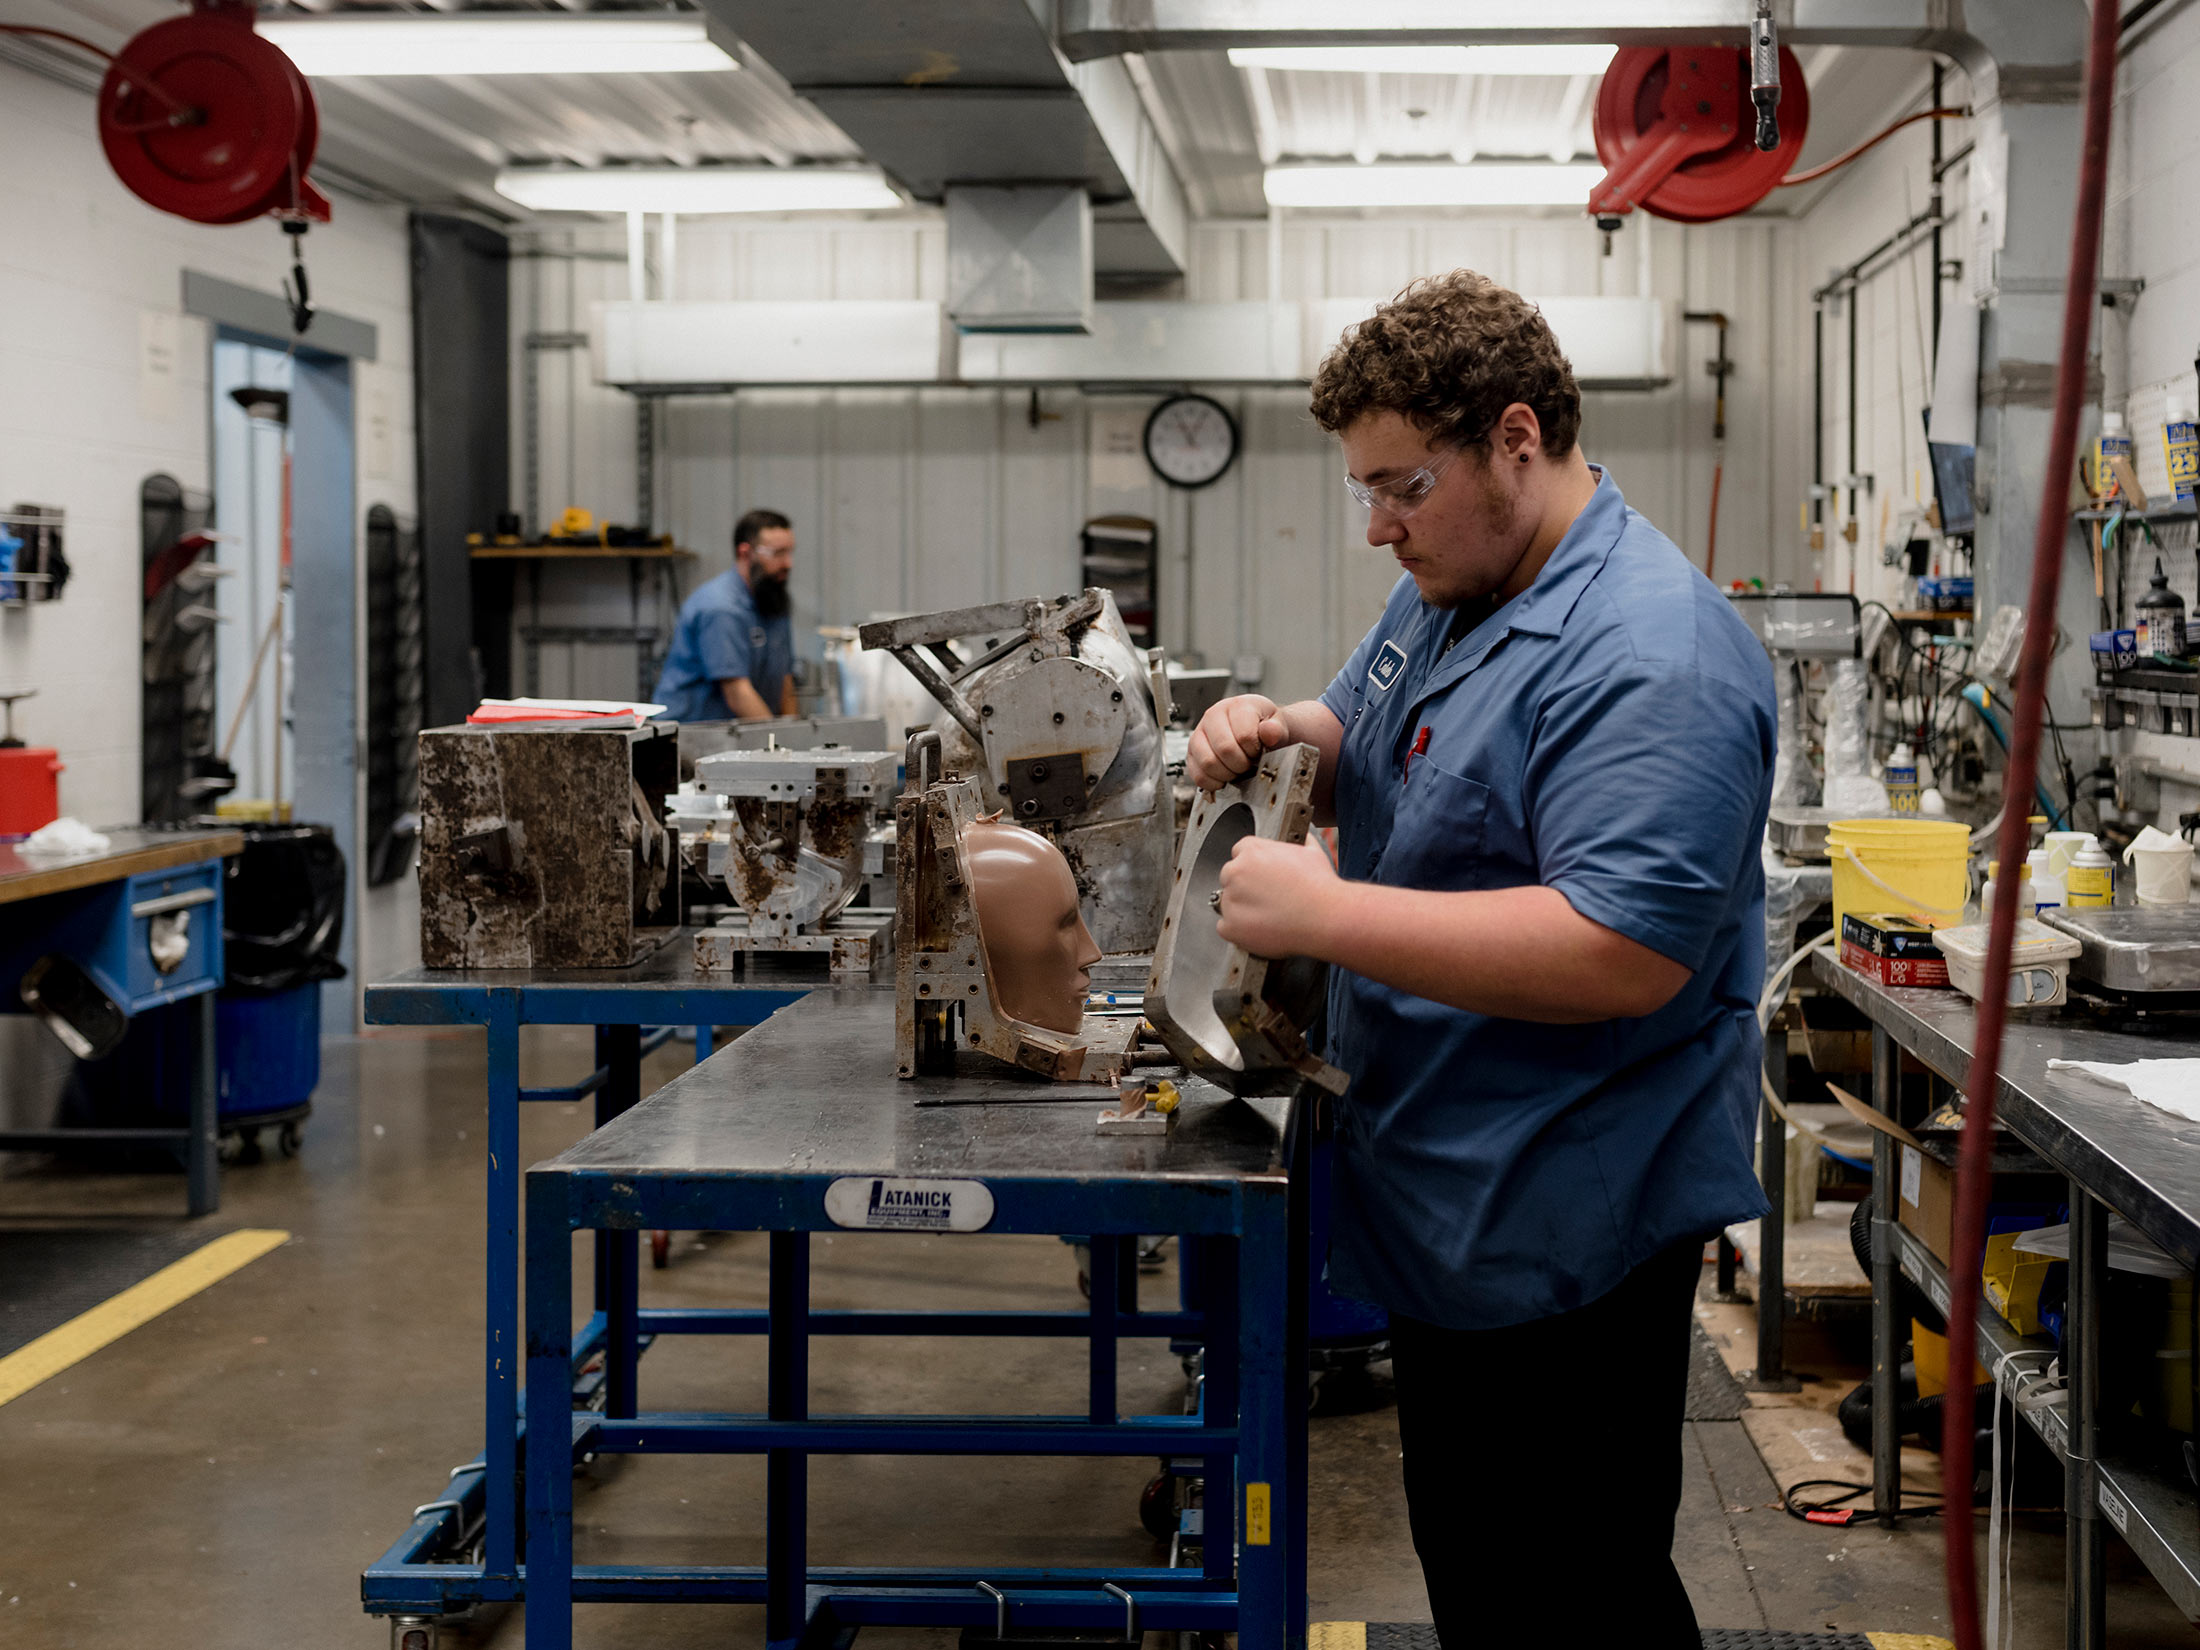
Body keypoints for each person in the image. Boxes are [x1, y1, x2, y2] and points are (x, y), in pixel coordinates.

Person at [1186, 270, 1775, 1648]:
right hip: (1457, 1187)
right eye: (1364, 493)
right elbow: (1360, 722)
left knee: (1574, 1584)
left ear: (1518, 438)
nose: (1380, 528)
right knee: (1488, 1568)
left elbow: (1620, 949)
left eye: (1404, 486)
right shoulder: (1459, 580)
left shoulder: (1650, 654)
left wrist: (1322, 912)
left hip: (1572, 1213)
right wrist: (1276, 732)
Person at [653, 509, 797, 722]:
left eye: (790, 552)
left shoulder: (773, 598)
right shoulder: (720, 608)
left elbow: (784, 680)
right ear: (745, 553)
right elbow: (737, 693)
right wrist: (780, 747)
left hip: (741, 736)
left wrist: (795, 740)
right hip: (690, 737)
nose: (788, 563)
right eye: (777, 553)